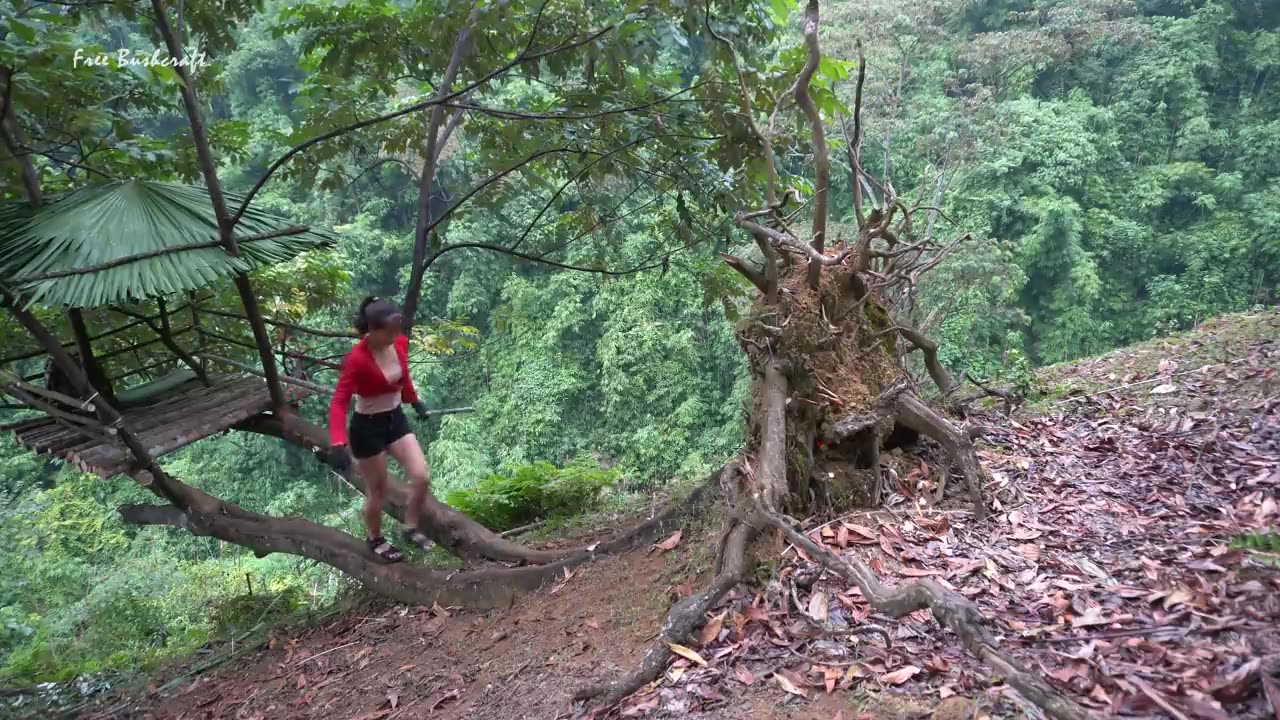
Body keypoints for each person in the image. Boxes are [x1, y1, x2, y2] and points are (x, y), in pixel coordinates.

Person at [327, 297, 434, 563]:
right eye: (390, 331)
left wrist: (414, 401)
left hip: (395, 419)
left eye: (398, 329)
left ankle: (410, 527)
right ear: (372, 331)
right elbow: (339, 402)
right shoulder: (356, 359)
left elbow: (403, 377)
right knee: (378, 489)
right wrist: (337, 442)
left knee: (421, 476)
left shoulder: (398, 344)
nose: (396, 335)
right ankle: (374, 538)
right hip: (367, 428)